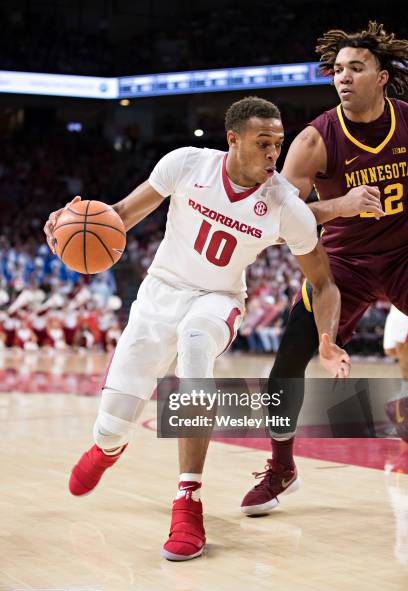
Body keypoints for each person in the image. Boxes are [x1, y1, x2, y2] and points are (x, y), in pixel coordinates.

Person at [44, 97, 350, 561]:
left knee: (194, 346)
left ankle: (188, 499)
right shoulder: (186, 164)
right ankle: (107, 449)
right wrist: (67, 228)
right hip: (158, 295)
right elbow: (121, 216)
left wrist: (327, 338)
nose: (273, 153)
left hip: (218, 301)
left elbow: (324, 283)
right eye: (263, 142)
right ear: (233, 139)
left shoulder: (286, 204)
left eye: (278, 144)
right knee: (110, 428)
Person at [240, 21, 408, 516]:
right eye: (338, 69)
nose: (344, 77)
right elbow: (277, 215)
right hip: (343, 266)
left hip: (403, 255)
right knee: (288, 360)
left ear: (381, 76)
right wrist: (341, 205)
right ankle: (281, 467)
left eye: (357, 68)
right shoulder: (316, 139)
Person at [383, 305, 408, 442]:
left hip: (400, 312)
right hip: (399, 311)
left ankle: (399, 407)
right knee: (395, 352)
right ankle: (399, 408)